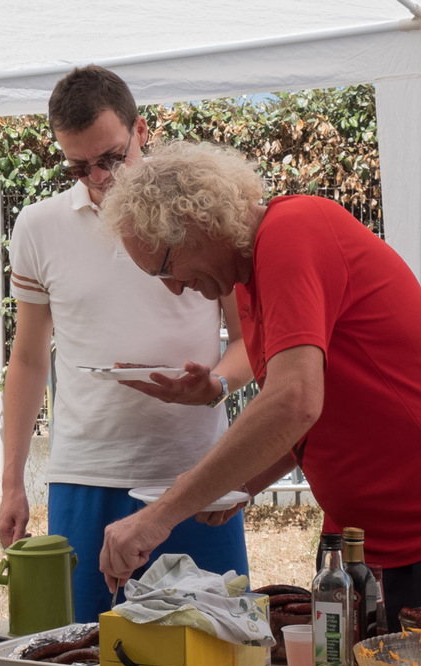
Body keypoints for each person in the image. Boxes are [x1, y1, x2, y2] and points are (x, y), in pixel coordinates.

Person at [98, 140, 421, 631]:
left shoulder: (293, 232)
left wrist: (160, 515)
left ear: (197, 221)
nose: (174, 287)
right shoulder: (251, 278)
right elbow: (309, 416)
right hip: (362, 543)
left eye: (165, 267)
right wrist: (239, 484)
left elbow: (293, 402)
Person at [0, 65, 254, 623]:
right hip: (84, 475)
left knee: (216, 638)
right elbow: (29, 360)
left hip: (195, 474)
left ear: (141, 131)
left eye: (111, 158)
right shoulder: (38, 226)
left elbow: (251, 340)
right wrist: (12, 483)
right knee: (86, 646)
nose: (99, 177)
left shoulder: (202, 214)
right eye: (78, 166)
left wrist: (217, 383)